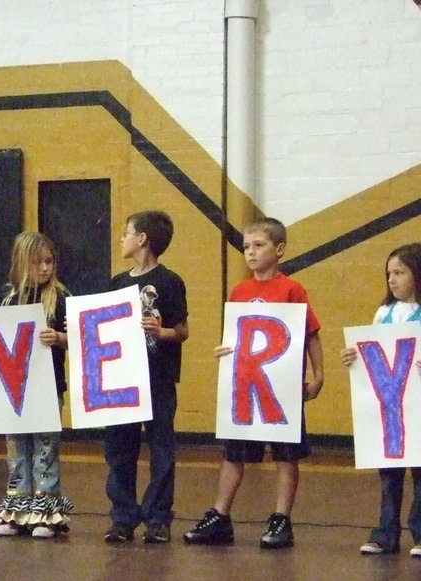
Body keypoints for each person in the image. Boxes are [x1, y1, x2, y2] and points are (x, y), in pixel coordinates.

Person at [183, 217, 324, 549]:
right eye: (246, 246)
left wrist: (319, 375)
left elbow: (310, 334)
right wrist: (226, 351)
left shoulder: (292, 289)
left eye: (258, 245)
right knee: (234, 453)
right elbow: (237, 335)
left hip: (281, 389)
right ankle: (220, 515)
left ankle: (281, 519)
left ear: (279, 249)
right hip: (247, 387)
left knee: (285, 455)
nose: (250, 252)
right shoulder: (240, 290)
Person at [0, 232, 74, 538]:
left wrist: (59, 338)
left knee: (45, 450)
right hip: (13, 390)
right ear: (21, 264)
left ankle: (45, 511)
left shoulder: (61, 298)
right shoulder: (9, 299)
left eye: (49, 262)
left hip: (47, 388)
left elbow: (79, 338)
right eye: (37, 262)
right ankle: (18, 509)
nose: (44, 268)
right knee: (17, 451)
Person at [103, 210, 189, 544]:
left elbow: (182, 331)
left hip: (158, 377)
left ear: (142, 239)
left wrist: (160, 330)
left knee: (161, 449)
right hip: (122, 379)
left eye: (126, 233)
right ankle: (123, 516)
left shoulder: (170, 282)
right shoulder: (118, 282)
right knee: (120, 449)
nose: (121, 239)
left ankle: (157, 518)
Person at [344, 243, 421, 556]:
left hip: (416, 406)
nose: (392, 279)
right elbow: (374, 351)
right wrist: (354, 356)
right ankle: (385, 533)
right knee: (389, 475)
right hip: (391, 409)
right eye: (389, 273)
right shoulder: (384, 313)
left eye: (400, 272)